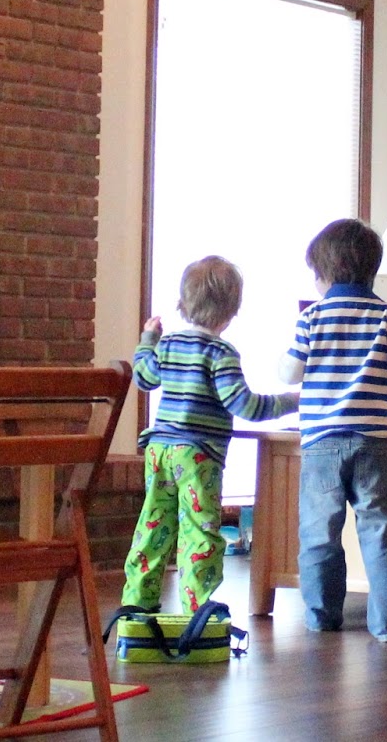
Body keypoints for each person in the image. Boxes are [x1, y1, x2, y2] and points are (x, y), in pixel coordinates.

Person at [123, 255, 298, 613]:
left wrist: (148, 339)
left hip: (159, 450)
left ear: (183, 303)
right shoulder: (221, 352)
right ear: (231, 312)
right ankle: (197, 609)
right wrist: (291, 402)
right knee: (199, 530)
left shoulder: (168, 345)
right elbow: (245, 405)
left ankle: (136, 607)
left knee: (153, 524)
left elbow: (143, 377)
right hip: (198, 456)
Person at [278, 217, 387, 641]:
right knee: (379, 529)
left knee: (319, 531)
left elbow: (290, 372)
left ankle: (322, 615)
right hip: (374, 440)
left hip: (321, 441)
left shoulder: (312, 316)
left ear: (324, 275)